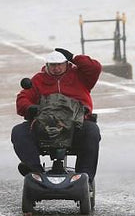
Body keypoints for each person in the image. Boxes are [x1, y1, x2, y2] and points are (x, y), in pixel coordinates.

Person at [11, 48, 102, 182]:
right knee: (19, 131)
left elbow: (95, 68)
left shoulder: (80, 76)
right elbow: (22, 99)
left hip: (76, 127)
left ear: (66, 64)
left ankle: (84, 177)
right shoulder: (38, 80)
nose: (56, 68)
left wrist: (74, 57)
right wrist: (30, 108)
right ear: (47, 65)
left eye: (60, 64)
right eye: (53, 65)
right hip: (45, 127)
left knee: (92, 131)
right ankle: (35, 171)